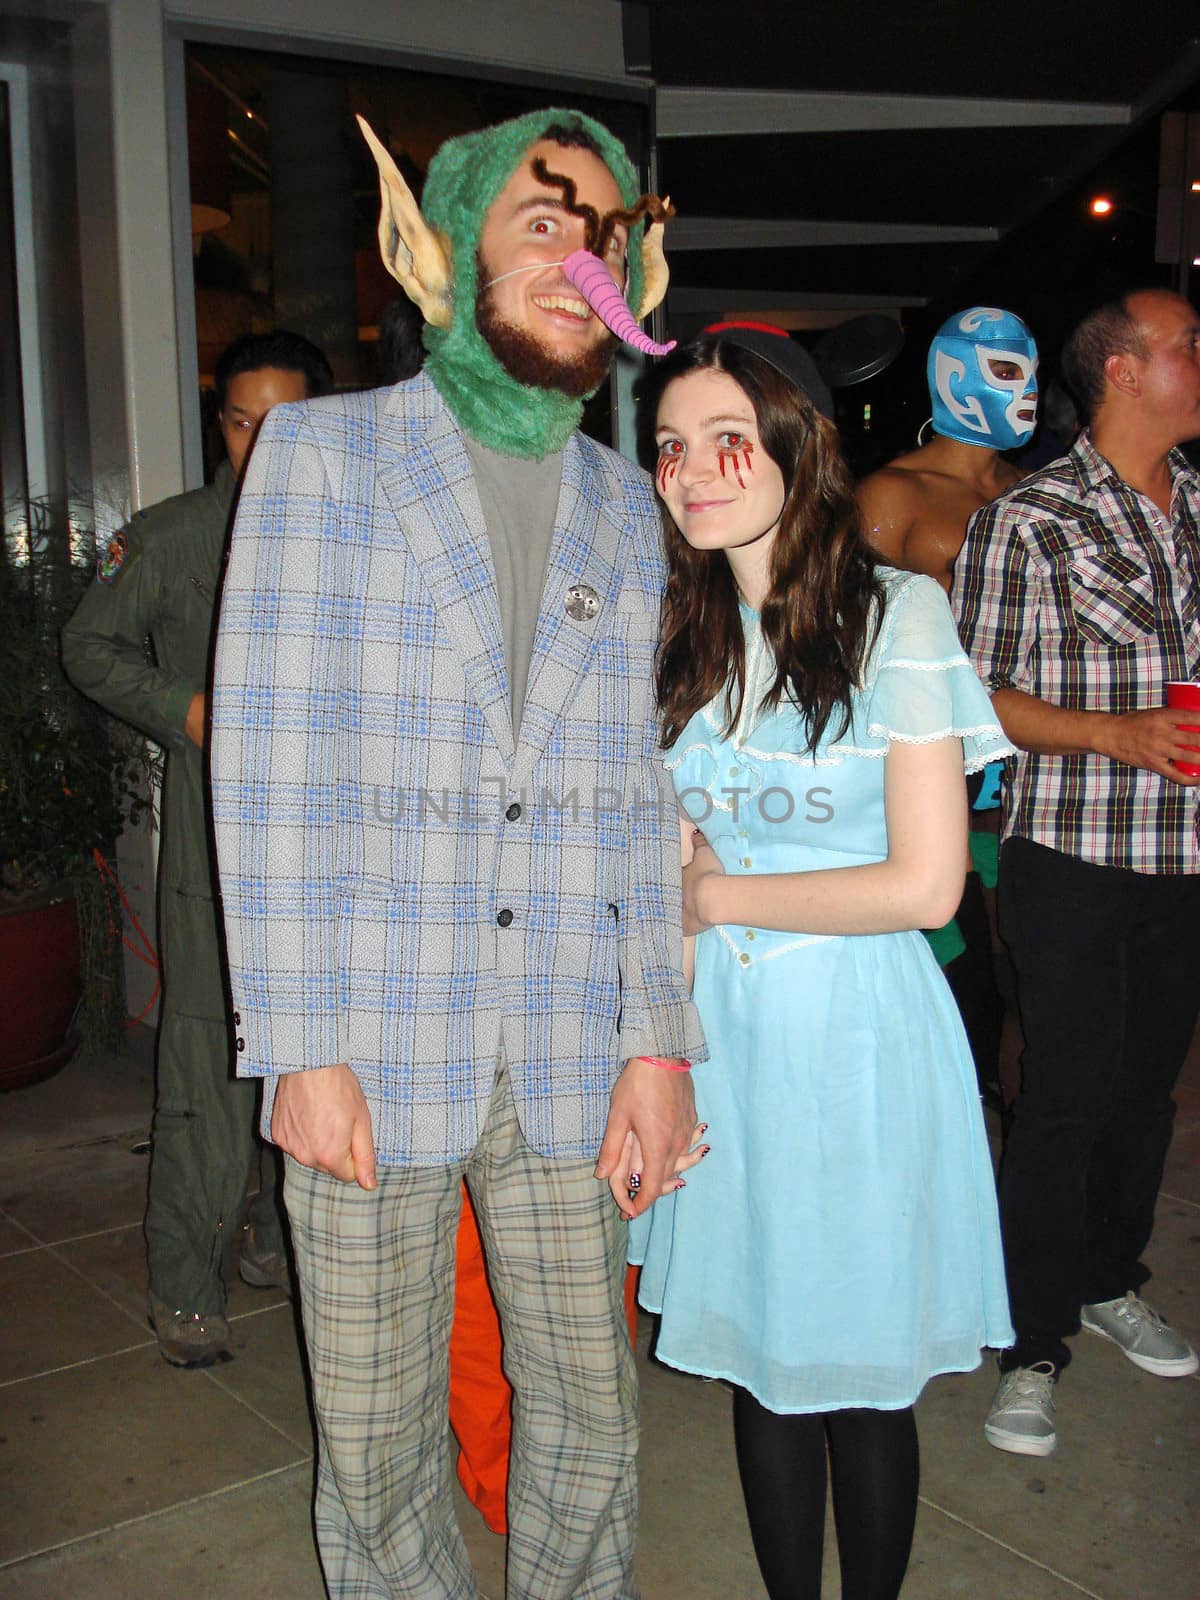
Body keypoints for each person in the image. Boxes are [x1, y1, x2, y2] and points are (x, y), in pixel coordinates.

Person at [209, 108, 704, 1598]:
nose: (583, 261)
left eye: (609, 236)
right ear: (445, 248)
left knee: (593, 1420)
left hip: (569, 1043)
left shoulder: (630, 503)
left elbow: (635, 793)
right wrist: (298, 1044)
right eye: (545, 224)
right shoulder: (321, 453)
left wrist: (658, 1044)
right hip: (370, 1035)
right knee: (372, 1442)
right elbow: (273, 763)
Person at [630, 323, 1014, 1600]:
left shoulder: (897, 615)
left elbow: (926, 883)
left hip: (856, 1035)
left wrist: (718, 890)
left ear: (798, 443)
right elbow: (667, 845)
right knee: (762, 1353)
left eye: (725, 440)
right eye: (670, 446)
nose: (691, 471)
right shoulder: (676, 630)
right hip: (725, 1041)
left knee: (856, 1369)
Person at [953, 288, 1200, 1458]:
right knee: (1059, 1101)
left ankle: (1109, 1277)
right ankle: (1033, 1340)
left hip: (1187, 858)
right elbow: (971, 699)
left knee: (1146, 1093)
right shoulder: (1031, 519)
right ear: (1121, 371)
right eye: (1188, 346)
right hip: (1077, 854)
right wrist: (1118, 731)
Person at [61, 329, 334, 1367]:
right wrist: (188, 707)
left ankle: (270, 1233)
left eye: (282, 419)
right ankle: (186, 1284)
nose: (256, 439)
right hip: (217, 852)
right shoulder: (173, 538)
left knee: (317, 1049)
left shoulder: (359, 533)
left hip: (336, 843)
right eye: (236, 418)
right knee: (209, 1060)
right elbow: (87, 645)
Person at [858, 307, 1039, 1106]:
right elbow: (843, 645)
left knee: (1023, 972)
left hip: (1020, 764)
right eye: (1003, 369)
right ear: (953, 375)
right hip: (929, 769)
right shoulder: (893, 493)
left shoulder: (1033, 493)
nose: (1024, 385)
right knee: (953, 973)